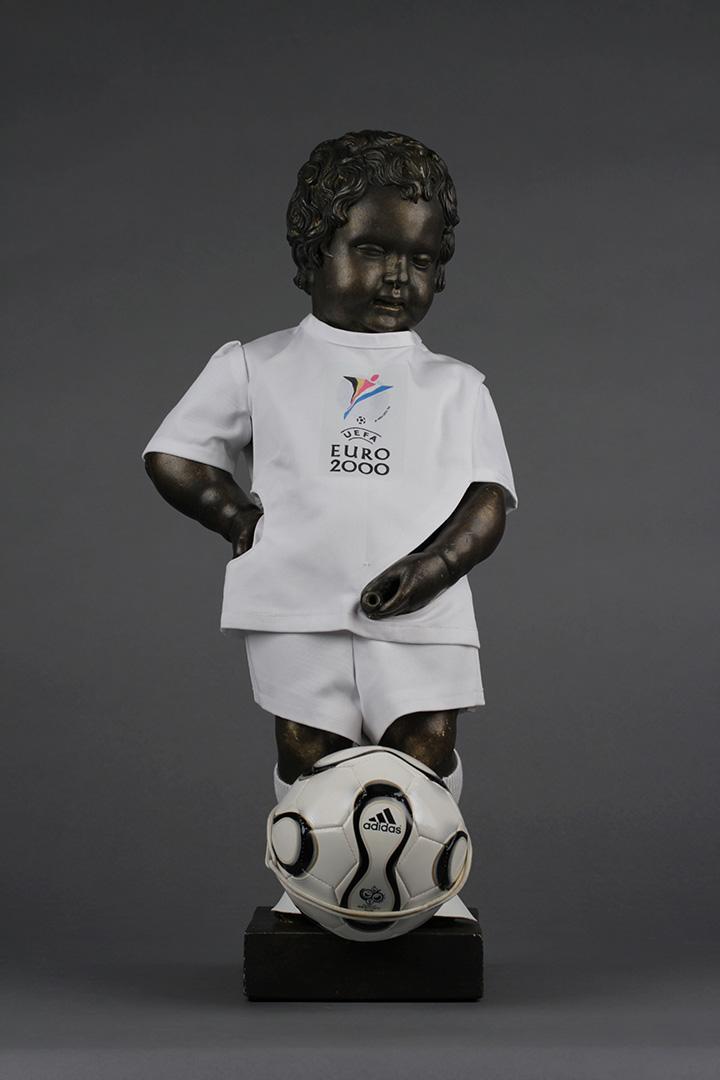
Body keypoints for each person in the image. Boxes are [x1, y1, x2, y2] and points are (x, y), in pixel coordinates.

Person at [142, 130, 517, 817]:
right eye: (372, 250)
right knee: (308, 750)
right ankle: (312, 863)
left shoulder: (456, 387)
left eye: (420, 259)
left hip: (422, 607)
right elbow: (174, 453)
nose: (398, 276)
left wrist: (437, 566)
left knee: (426, 743)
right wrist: (237, 518)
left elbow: (489, 497)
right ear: (315, 252)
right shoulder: (258, 365)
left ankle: (424, 862)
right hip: (297, 602)